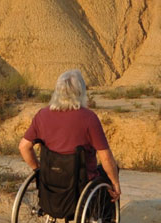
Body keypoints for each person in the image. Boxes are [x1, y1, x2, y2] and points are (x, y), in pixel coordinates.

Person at [19, 69, 122, 203]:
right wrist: (115, 183)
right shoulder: (89, 118)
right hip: (81, 183)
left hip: (51, 180)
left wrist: (38, 170)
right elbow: (106, 158)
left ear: (57, 91)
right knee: (110, 173)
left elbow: (23, 147)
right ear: (80, 92)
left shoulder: (42, 115)